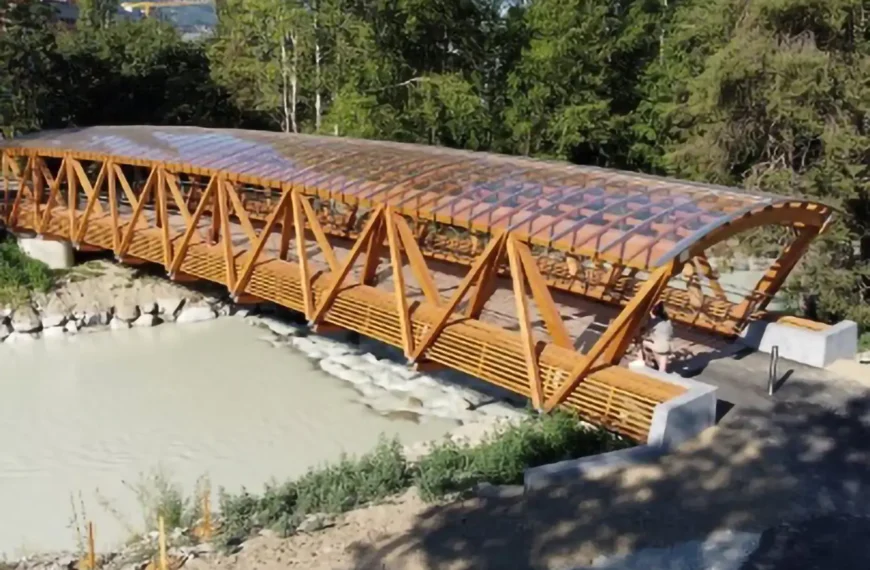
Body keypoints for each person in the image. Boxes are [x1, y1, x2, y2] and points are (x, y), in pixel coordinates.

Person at [638, 301, 673, 372]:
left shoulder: (654, 322)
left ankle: (641, 360)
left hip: (659, 346)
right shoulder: (668, 321)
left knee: (643, 342)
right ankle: (662, 370)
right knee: (663, 354)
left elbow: (645, 331)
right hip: (669, 346)